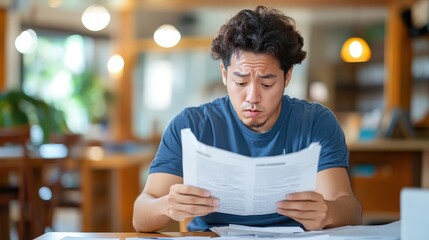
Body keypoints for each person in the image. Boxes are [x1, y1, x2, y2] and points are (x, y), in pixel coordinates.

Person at [133, 6, 362, 232]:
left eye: (267, 83)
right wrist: (167, 205)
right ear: (224, 74)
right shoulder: (191, 126)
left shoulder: (315, 123)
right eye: (241, 82)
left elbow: (350, 209)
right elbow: (141, 216)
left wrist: (328, 212)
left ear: (287, 76)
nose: (252, 97)